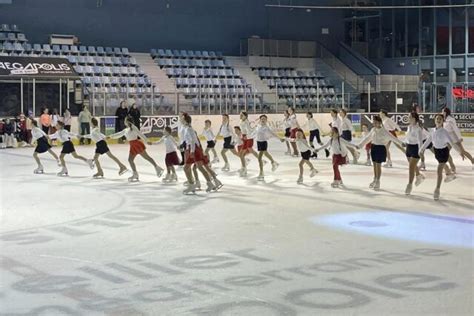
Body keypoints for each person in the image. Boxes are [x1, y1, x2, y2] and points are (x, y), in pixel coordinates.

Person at [420, 114, 462, 200]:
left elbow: (452, 143)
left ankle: (437, 189)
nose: (438, 120)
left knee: (439, 170)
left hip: (444, 152)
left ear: (443, 121)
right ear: (435, 120)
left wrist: (459, 151)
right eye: (437, 119)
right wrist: (421, 149)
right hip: (437, 152)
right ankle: (450, 174)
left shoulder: (444, 132)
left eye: (440, 119)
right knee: (443, 165)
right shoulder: (432, 131)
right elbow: (428, 141)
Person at [108, 116, 164, 182]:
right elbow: (119, 134)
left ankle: (158, 168)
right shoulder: (126, 130)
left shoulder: (134, 127)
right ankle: (135, 174)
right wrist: (110, 137)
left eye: (125, 120)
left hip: (137, 145)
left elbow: (140, 134)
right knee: (130, 160)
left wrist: (146, 140)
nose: (124, 122)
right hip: (132, 146)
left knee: (147, 157)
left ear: (127, 121)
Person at [357, 116, 405, 190]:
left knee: (378, 165)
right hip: (374, 148)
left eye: (376, 122)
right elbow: (367, 138)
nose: (374, 124)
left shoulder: (385, 131)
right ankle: (375, 179)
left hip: (381, 149)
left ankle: (378, 181)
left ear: (380, 123)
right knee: (374, 165)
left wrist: (401, 143)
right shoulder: (373, 130)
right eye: (374, 122)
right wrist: (360, 145)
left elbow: (393, 138)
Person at [181, 113, 219, 194]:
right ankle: (208, 183)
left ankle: (193, 184)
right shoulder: (187, 128)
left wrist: (191, 151)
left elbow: (193, 141)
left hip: (194, 150)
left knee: (190, 168)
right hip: (193, 149)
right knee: (197, 167)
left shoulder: (189, 129)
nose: (180, 119)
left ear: (185, 120)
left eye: (182, 118)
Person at [250, 114, 284, 181]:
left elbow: (273, 134)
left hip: (263, 143)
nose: (263, 120)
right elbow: (254, 133)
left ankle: (261, 173)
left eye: (264, 119)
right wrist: (248, 137)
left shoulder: (267, 127)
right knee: (266, 153)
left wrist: (279, 138)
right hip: (258, 142)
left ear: (266, 120)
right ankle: (274, 162)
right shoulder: (258, 126)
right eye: (262, 119)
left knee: (259, 158)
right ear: (260, 120)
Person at [442, 107, 474, 172]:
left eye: (443, 112)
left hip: (455, 139)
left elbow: (455, 129)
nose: (442, 113)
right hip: (448, 140)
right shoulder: (444, 120)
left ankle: (473, 161)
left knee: (463, 151)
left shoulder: (451, 120)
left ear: (446, 112)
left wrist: (460, 137)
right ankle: (452, 167)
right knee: (446, 153)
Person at [403, 112, 426, 195]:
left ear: (414, 118)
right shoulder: (409, 127)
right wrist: (404, 142)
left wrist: (421, 151)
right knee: (413, 166)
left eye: (409, 117)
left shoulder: (418, 129)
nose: (408, 118)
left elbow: (420, 141)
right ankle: (419, 176)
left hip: (416, 148)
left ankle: (409, 185)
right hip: (408, 148)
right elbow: (407, 137)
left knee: (411, 168)